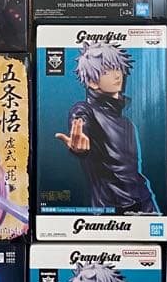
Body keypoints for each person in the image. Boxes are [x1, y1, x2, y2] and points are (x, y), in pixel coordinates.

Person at [55, 41, 160, 215]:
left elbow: (133, 174)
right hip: (112, 211)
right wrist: (79, 147)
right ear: (92, 82)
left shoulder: (127, 124)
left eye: (117, 68)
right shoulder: (85, 110)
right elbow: (80, 120)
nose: (117, 74)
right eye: (106, 71)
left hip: (145, 204)